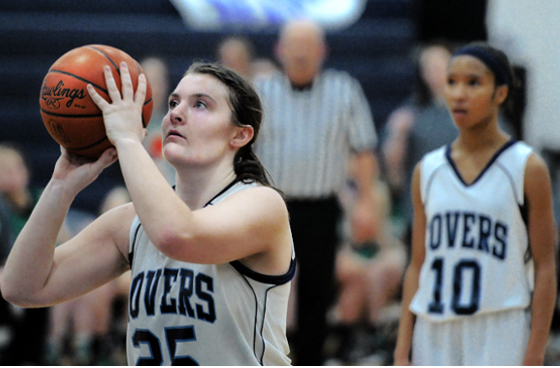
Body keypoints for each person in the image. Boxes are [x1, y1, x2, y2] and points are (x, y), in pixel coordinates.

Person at [0, 61, 295, 365]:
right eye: (173, 102)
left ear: (240, 136)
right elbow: (21, 287)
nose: (176, 113)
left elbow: (177, 235)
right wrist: (59, 188)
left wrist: (128, 140)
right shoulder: (131, 223)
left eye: (201, 105)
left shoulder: (262, 204)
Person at [393, 42, 557, 366]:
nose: (458, 93)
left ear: (500, 93)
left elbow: (546, 266)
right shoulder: (426, 170)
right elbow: (417, 265)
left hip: (501, 326)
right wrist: (402, 347)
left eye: (473, 82)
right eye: (451, 82)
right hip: (434, 328)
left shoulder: (527, 167)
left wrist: (536, 350)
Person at [253, 19, 379, 365]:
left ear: (323, 51)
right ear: (280, 50)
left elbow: (364, 151)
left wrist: (365, 203)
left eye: (309, 45)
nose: (301, 52)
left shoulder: (345, 89)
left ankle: (310, 360)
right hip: (270, 208)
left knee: (317, 293)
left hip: (322, 208)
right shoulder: (259, 91)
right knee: (261, 288)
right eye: (294, 44)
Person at [46, 186, 132, 365]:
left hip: (130, 272)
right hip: (105, 271)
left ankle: (102, 344)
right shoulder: (98, 225)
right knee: (76, 287)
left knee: (104, 286)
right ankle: (66, 342)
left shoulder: (135, 229)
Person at [330, 166, 406, 365]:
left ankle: (375, 338)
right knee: (354, 276)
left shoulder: (378, 190)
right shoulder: (338, 190)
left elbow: (379, 231)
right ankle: (348, 343)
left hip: (379, 251)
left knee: (376, 272)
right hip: (348, 251)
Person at [382, 42, 456, 239]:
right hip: (420, 212)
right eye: (429, 68)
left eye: (440, 66)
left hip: (460, 211)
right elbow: (393, 170)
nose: (435, 73)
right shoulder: (411, 112)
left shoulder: (474, 111)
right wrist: (397, 134)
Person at [0, 142, 50, 365]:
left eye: (15, 167)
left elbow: (65, 243)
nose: (11, 174)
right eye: (3, 169)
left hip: (39, 274)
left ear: (26, 171)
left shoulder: (43, 199)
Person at [140, 56, 175, 184]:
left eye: (157, 82)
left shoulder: (180, 123)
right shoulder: (129, 125)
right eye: (148, 82)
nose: (153, 89)